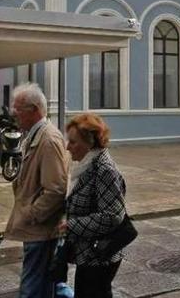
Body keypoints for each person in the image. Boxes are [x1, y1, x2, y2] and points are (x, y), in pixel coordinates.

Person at [4, 82, 69, 297]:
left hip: (40, 229)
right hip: (36, 227)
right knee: (45, 284)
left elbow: (56, 189)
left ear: (35, 110)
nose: (15, 115)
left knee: (32, 286)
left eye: (18, 110)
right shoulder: (35, 135)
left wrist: (32, 214)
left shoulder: (48, 140)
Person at [60, 113, 127, 298]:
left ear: (89, 143)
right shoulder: (86, 166)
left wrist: (70, 226)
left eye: (73, 142)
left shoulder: (104, 169)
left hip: (100, 257)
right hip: (89, 255)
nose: (67, 147)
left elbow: (113, 215)